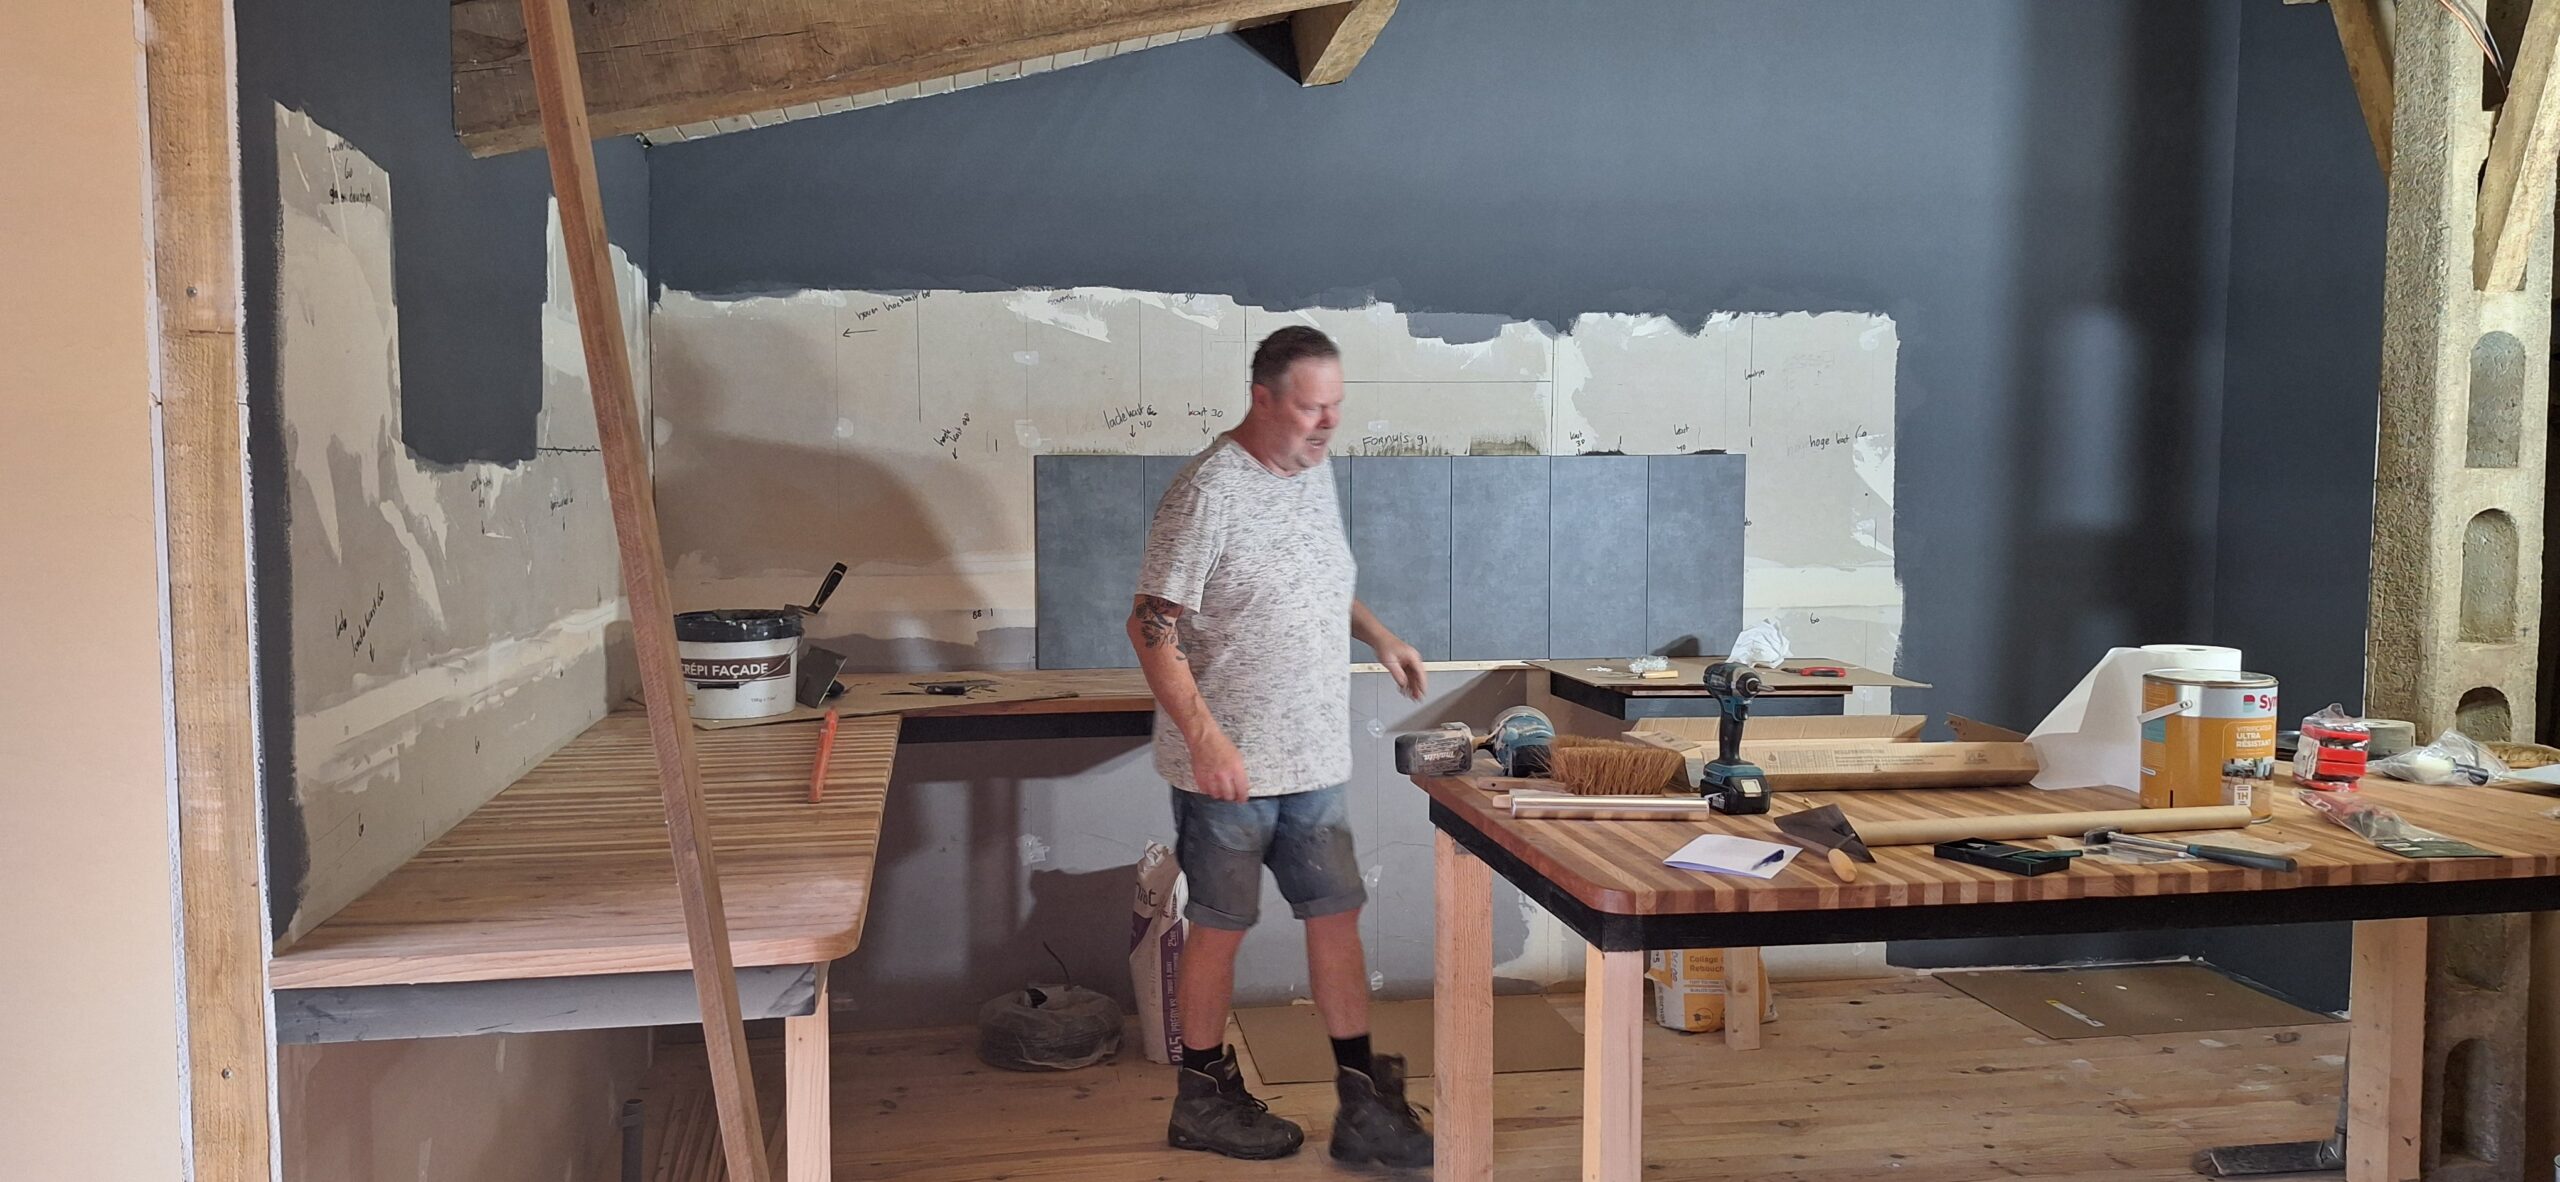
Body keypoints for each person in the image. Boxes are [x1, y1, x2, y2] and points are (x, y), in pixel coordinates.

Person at [1126, 325, 1434, 1169]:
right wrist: (1206, 740)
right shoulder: (1207, 492)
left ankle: (1361, 1105)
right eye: (1309, 407)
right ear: (1262, 399)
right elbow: (1150, 625)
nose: (1327, 423)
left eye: (1335, 406)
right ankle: (1201, 1098)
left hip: (1314, 761)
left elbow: (1315, 580)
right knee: (1219, 929)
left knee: (1337, 917)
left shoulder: (1313, 467)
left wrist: (1380, 634)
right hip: (1228, 772)